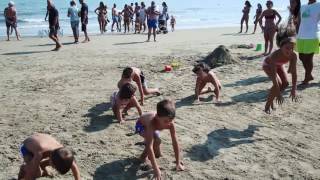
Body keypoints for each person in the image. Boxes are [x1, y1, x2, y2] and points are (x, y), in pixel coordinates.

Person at [136, 99, 185, 180]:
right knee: (156, 141)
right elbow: (149, 146)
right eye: (166, 121)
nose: (169, 123)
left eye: (171, 120)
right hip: (141, 126)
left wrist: (178, 162)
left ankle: (151, 150)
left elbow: (175, 142)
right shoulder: (151, 123)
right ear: (157, 117)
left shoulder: (170, 123)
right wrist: (156, 170)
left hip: (155, 128)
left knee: (157, 152)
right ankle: (143, 157)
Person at [262, 25, 299, 113]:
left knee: (285, 83)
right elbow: (274, 77)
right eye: (287, 48)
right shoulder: (274, 55)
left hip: (280, 65)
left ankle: (272, 95)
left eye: (292, 48)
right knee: (277, 83)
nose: (289, 50)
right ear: (281, 46)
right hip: (268, 65)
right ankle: (267, 106)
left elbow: (294, 73)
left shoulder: (293, 55)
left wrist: (294, 89)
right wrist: (278, 94)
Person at [296, 0, 320, 85]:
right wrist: (297, 33)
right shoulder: (303, 6)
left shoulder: (319, 5)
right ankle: (309, 75)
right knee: (301, 57)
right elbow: (299, 21)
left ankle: (307, 77)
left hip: (312, 36)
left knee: (308, 58)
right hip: (301, 36)